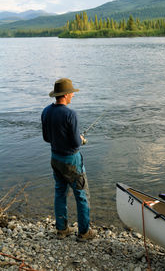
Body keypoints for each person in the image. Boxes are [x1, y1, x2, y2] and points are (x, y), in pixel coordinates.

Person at [41, 78, 97, 241]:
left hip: (55, 158)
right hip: (71, 161)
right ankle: (84, 232)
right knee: (82, 195)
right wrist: (82, 140)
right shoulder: (70, 114)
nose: (73, 94)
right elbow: (75, 143)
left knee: (60, 192)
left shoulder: (46, 111)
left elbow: (46, 138)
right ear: (65, 95)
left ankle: (62, 229)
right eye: (71, 92)